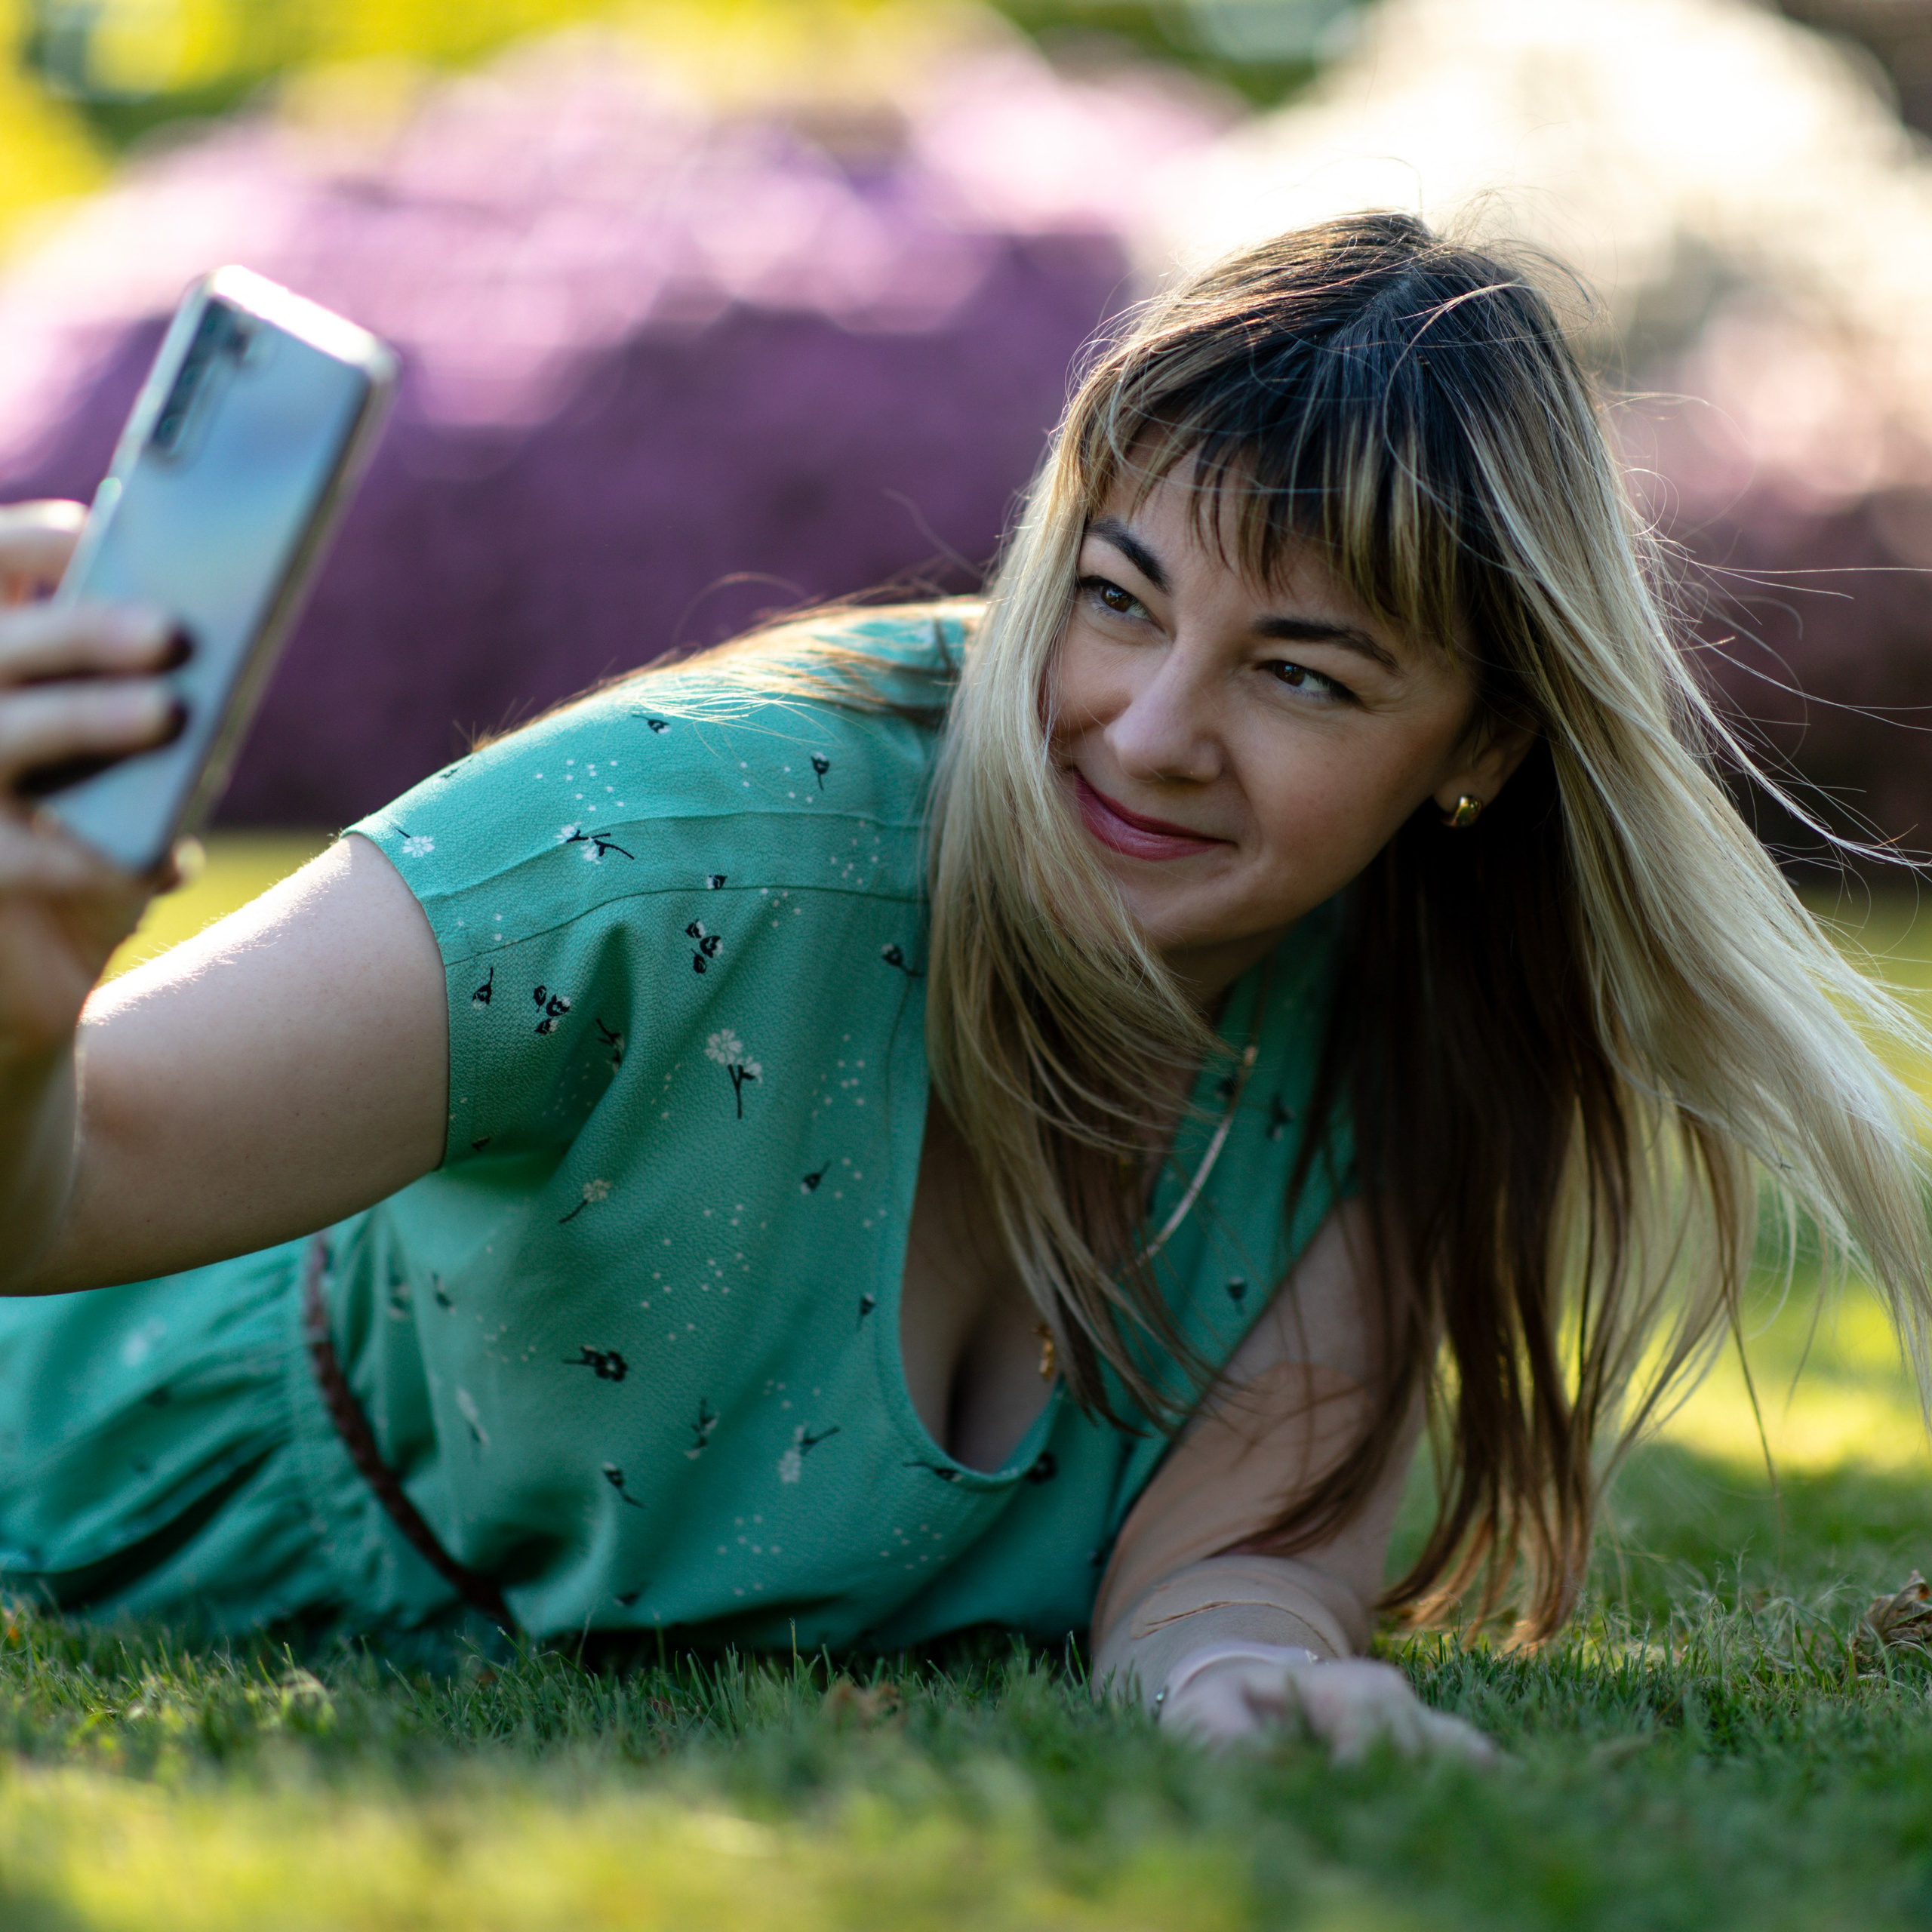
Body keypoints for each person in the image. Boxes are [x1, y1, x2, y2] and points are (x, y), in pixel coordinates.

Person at [1, 214, 1925, 1759]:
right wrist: (15, 1027)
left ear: (1477, 747)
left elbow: (1220, 1575)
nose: (1149, 732)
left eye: (1303, 674)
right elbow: (64, 1184)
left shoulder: (1389, 1037)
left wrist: (1239, 1684)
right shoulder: (658, 853)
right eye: (1113, 593)